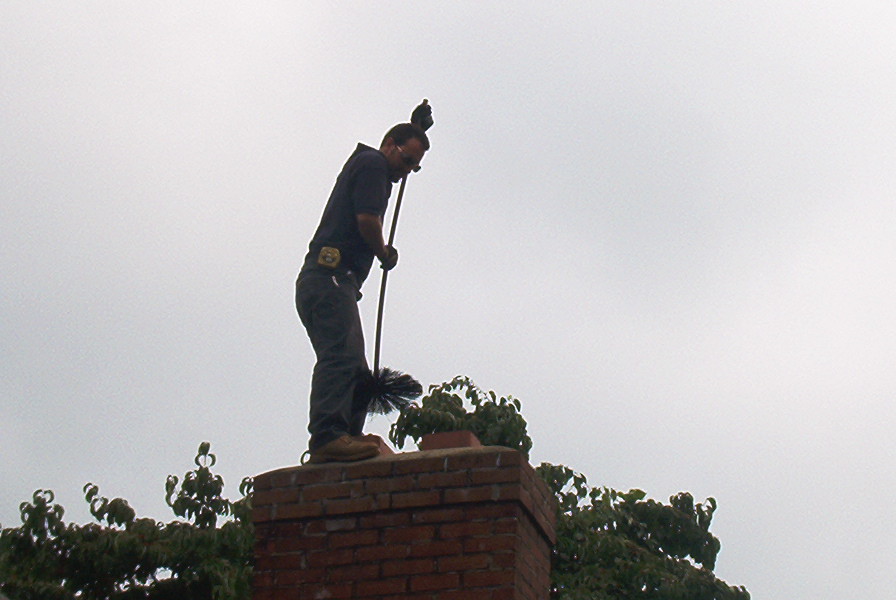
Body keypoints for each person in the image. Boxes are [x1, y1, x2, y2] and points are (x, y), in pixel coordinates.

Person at [296, 122, 430, 463]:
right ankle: (328, 436)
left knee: (355, 365)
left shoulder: (376, 167)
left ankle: (347, 435)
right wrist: (383, 252)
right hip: (329, 277)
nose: (406, 170)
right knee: (342, 355)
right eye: (406, 160)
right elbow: (368, 220)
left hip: (335, 282)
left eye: (414, 166)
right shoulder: (373, 164)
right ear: (389, 144)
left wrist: (416, 127)